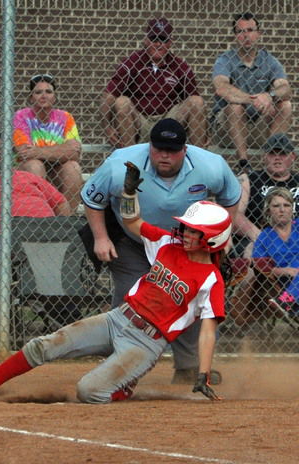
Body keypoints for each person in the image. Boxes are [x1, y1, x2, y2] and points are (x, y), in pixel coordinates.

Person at [0, 187, 230, 403]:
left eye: (195, 231)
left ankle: (123, 387)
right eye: (186, 227)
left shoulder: (211, 279)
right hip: (117, 319)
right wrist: (130, 194)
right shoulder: (168, 243)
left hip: (146, 343)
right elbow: (132, 220)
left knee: (89, 391)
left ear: (212, 239)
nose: (185, 232)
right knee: (43, 345)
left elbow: (207, 331)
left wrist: (203, 372)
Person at [81, 118, 241, 384]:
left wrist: (220, 239)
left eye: (173, 150)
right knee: (132, 295)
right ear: (149, 146)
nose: (165, 155)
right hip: (131, 239)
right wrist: (101, 238)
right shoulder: (121, 164)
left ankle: (188, 368)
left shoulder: (211, 166)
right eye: (158, 149)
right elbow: (92, 199)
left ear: (185, 150)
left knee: (190, 298)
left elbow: (230, 199)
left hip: (183, 243)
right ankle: (119, 369)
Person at [100, 18, 206, 148]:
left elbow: (193, 104)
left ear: (170, 43)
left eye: (163, 39)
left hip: (169, 120)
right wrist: (107, 127)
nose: (158, 44)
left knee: (196, 101)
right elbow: (109, 95)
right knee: (121, 102)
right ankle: (129, 157)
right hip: (139, 120)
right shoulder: (132, 63)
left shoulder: (180, 67)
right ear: (146, 40)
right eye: (154, 39)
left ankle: (199, 158)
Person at [212, 12, 292, 165]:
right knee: (235, 107)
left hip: (259, 128)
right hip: (227, 129)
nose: (245, 35)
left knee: (286, 105)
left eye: (250, 30)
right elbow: (221, 88)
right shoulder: (225, 60)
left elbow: (286, 89)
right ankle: (244, 163)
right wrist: (254, 99)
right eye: (240, 31)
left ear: (259, 34)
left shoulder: (269, 61)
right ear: (235, 36)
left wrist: (270, 96)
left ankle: (271, 160)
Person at [13, 74, 83, 212]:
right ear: (31, 98)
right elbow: (23, 152)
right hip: (26, 170)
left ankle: (66, 220)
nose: (43, 95)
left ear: (55, 97)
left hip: (57, 169)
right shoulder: (21, 116)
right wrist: (61, 150)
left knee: (73, 168)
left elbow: (74, 153)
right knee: (35, 165)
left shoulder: (65, 117)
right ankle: (41, 217)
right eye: (38, 92)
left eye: (48, 91)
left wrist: (37, 151)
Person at [233, 133, 298, 256]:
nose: (277, 158)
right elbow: (235, 215)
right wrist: (265, 239)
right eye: (272, 153)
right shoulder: (248, 179)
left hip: (295, 239)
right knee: (252, 251)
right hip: (256, 238)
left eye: (283, 154)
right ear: (264, 156)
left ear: (293, 156)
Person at [251, 188, 299, 325]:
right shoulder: (265, 236)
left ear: (292, 208)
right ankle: (288, 300)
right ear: (269, 211)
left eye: (286, 205)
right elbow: (260, 266)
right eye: (276, 206)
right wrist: (286, 271)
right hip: (283, 281)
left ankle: (286, 301)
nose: (282, 210)